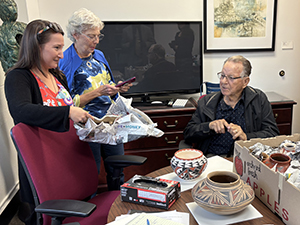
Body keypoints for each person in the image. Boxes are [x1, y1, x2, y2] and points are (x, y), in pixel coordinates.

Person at [4, 19, 91, 225]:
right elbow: (21, 110)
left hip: (69, 155)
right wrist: (68, 112)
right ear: (36, 47)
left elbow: (68, 108)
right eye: (56, 48)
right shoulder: (18, 77)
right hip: (44, 161)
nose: (62, 54)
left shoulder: (57, 75)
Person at [59, 8, 131, 190]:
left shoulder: (99, 56)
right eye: (91, 36)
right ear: (75, 34)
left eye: (98, 36)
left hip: (111, 122)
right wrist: (97, 92)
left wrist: (117, 89)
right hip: (87, 125)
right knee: (90, 173)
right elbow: (67, 104)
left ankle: (117, 208)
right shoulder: (65, 61)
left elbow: (110, 87)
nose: (96, 41)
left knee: (117, 169)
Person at [183, 55, 280, 157]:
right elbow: (188, 134)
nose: (223, 82)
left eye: (231, 78)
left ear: (245, 81)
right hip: (214, 157)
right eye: (222, 76)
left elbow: (272, 133)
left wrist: (246, 137)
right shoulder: (207, 102)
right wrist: (209, 126)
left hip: (247, 158)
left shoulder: (258, 99)